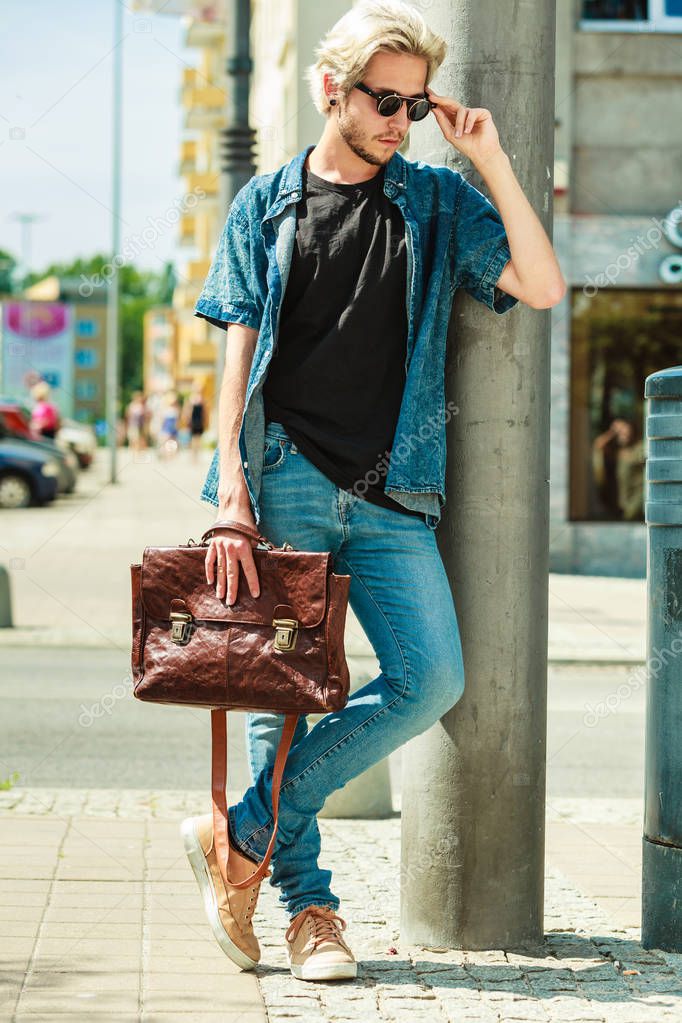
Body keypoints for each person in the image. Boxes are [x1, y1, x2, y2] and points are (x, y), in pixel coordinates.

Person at [183, 0, 566, 982]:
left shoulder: (437, 199)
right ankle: (312, 916)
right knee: (283, 704)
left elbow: (540, 280)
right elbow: (234, 356)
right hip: (285, 483)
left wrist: (488, 157)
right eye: (383, 100)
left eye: (414, 104)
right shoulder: (264, 203)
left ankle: (239, 834)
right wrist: (231, 489)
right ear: (331, 92)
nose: (400, 120)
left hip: (396, 492)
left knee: (431, 680)